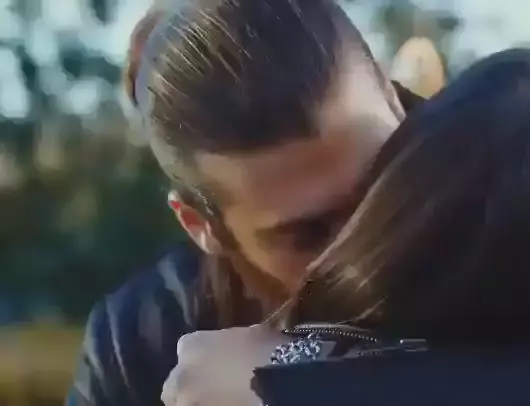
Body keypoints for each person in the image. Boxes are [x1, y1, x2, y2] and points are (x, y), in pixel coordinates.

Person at [163, 49, 530, 406]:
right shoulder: (152, 326)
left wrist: (283, 378)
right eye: (306, 231)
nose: (351, 240)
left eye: (371, 200)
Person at [65, 0, 425, 405]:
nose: (371, 244)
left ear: (395, 101)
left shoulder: (489, 188)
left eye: (381, 186)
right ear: (200, 226)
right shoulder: (139, 344)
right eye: (310, 234)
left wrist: (297, 383)